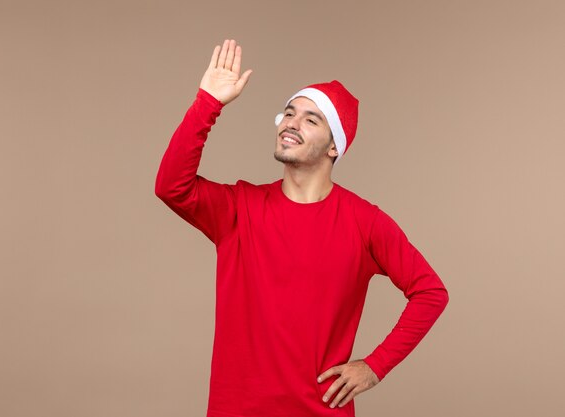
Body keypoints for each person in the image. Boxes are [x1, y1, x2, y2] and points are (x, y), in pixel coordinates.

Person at [155, 39, 449, 417]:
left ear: (333, 147)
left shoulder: (364, 221)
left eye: (311, 120)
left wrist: (375, 367)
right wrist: (208, 103)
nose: (291, 123)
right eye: (289, 114)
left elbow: (430, 292)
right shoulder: (238, 208)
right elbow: (170, 186)